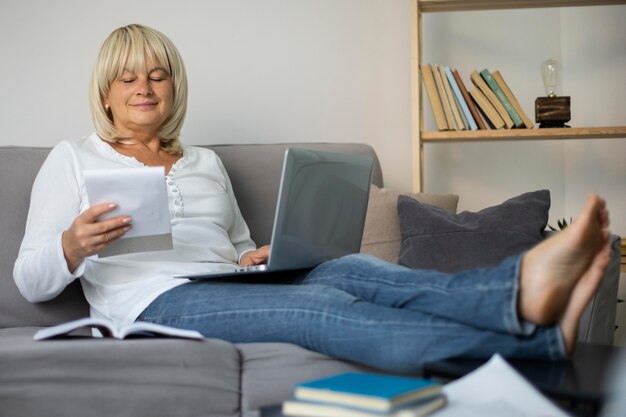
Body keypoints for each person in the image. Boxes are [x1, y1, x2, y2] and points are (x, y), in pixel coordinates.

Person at [14, 24, 612, 374]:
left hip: (227, 282)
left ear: (174, 86)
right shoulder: (75, 158)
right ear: (106, 91)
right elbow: (29, 279)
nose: (144, 86)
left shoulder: (205, 162)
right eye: (128, 76)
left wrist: (256, 256)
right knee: (322, 310)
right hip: (155, 304)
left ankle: (517, 292)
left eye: (157, 73)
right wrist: (69, 246)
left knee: (351, 269)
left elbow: (238, 246)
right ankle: (534, 345)